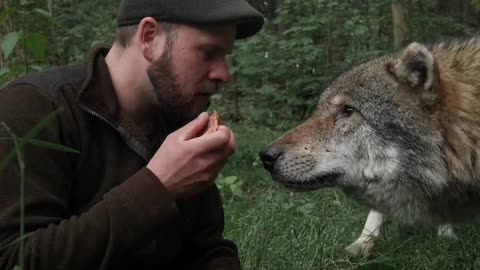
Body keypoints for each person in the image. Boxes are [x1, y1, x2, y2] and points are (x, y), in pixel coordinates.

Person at [0, 0, 264, 269]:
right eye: (208, 52)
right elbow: (14, 260)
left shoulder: (178, 117)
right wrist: (159, 186)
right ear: (149, 37)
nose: (224, 73)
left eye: (225, 56)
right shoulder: (37, 107)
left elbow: (207, 248)